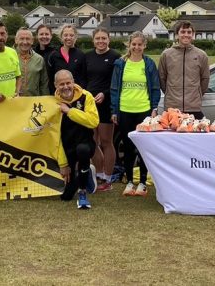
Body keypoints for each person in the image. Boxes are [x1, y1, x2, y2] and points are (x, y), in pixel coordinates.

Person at [110, 31, 160, 197]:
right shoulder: (120, 63)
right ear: (129, 45)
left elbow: (154, 87)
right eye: (134, 44)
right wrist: (114, 110)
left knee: (144, 149)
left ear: (144, 46)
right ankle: (130, 181)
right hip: (125, 110)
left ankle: (143, 183)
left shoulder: (149, 64)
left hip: (144, 110)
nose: (137, 47)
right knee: (128, 148)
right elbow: (115, 89)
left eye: (140, 44)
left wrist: (154, 107)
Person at [54, 70, 99, 209]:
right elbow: (54, 138)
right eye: (61, 84)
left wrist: (69, 111)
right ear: (55, 85)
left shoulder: (86, 96)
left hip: (85, 144)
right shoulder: (53, 103)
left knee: (83, 150)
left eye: (68, 83)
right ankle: (87, 172)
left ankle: (83, 191)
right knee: (66, 197)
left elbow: (93, 121)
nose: (66, 87)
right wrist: (63, 164)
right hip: (67, 148)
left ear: (73, 82)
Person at [84, 28, 120, 191]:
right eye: (97, 38)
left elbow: (116, 82)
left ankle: (108, 177)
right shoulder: (88, 56)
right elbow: (85, 79)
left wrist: (104, 94)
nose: (100, 41)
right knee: (92, 141)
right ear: (93, 40)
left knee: (106, 141)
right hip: (90, 104)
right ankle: (98, 175)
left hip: (106, 103)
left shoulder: (115, 57)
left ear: (109, 40)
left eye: (103, 38)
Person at [158, 20, 210, 119]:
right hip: (172, 106)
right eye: (183, 32)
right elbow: (162, 78)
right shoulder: (166, 55)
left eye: (189, 32)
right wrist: (171, 92)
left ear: (193, 34)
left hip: (193, 107)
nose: (186, 35)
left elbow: (205, 79)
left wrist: (197, 93)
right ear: (177, 35)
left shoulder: (201, 55)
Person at [45, 25, 86, 95]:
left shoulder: (81, 55)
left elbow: (84, 78)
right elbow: (50, 79)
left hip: (77, 95)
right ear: (61, 37)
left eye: (71, 35)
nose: (68, 38)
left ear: (75, 37)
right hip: (59, 96)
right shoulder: (53, 55)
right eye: (65, 35)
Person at [15, 28, 48, 97]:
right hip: (13, 101)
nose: (25, 42)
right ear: (16, 40)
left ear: (32, 41)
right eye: (22, 39)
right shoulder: (10, 57)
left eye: (28, 39)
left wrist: (45, 100)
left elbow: (44, 84)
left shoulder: (39, 59)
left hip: (33, 102)